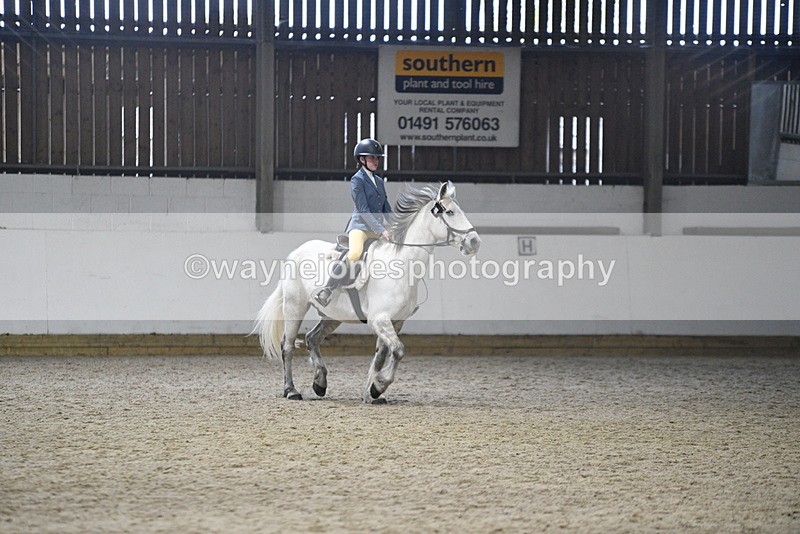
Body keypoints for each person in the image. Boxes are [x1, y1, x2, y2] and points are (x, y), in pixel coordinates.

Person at [313, 138, 393, 307]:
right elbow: (363, 210)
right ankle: (327, 289)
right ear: (362, 160)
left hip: (378, 228)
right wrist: (381, 231)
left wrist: (395, 226)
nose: (376, 161)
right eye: (372, 158)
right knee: (355, 253)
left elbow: (385, 206)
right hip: (360, 227)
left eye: (377, 158)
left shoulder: (379, 181)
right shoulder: (357, 180)